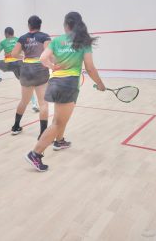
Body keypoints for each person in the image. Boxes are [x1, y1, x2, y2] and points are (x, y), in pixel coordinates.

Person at [25, 12, 106, 172]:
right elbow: (89, 67)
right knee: (58, 122)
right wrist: (100, 84)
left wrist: (52, 66)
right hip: (68, 84)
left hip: (54, 83)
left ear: (66, 25)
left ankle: (59, 141)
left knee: (59, 118)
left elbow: (42, 58)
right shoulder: (83, 42)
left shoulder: (57, 41)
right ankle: (35, 153)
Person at [10, 16, 50, 137]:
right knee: (43, 103)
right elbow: (49, 54)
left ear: (29, 25)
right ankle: (43, 133)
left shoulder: (22, 38)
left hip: (26, 71)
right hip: (40, 71)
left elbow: (14, 54)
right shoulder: (45, 37)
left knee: (24, 101)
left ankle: (16, 126)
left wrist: (24, 57)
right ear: (40, 25)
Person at [0, 27, 39, 112]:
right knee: (27, 85)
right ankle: (34, 104)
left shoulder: (3, 42)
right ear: (13, 33)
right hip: (20, 64)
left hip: (8, 64)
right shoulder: (19, 40)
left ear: (6, 34)